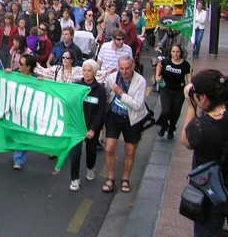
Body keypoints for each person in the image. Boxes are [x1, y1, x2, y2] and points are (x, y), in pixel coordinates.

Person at [181, 70, 228, 237]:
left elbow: (186, 140)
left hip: (211, 193)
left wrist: (190, 107)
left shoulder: (201, 127)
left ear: (204, 98)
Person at [102, 55, 148, 194]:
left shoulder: (140, 81)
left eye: (127, 68)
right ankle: (110, 178)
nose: (124, 71)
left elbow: (138, 105)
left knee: (130, 150)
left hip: (132, 119)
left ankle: (125, 179)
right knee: (109, 149)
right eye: (121, 68)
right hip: (114, 117)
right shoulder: (112, 78)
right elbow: (106, 92)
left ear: (133, 66)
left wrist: (121, 94)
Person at [68, 59, 107, 192]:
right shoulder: (76, 86)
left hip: (91, 127)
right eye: (84, 70)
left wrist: (93, 129)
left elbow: (101, 112)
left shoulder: (100, 90)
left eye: (89, 70)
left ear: (94, 72)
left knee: (91, 152)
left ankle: (90, 168)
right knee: (75, 153)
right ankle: (74, 179)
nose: (86, 73)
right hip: (77, 127)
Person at [155, 44, 191, 139]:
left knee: (175, 113)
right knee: (166, 111)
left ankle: (171, 129)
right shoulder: (166, 61)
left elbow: (189, 77)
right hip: (166, 89)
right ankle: (163, 126)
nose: (175, 54)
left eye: (177, 52)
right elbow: (159, 66)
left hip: (178, 91)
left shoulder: (185, 65)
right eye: (173, 52)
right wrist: (157, 77)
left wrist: (190, 86)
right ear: (170, 53)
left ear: (181, 53)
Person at [12, 54, 38, 170]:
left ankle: (18, 159)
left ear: (28, 67)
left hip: (27, 112)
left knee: (22, 134)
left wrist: (41, 83)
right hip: (13, 110)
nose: (19, 66)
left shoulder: (36, 80)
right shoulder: (15, 75)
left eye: (21, 64)